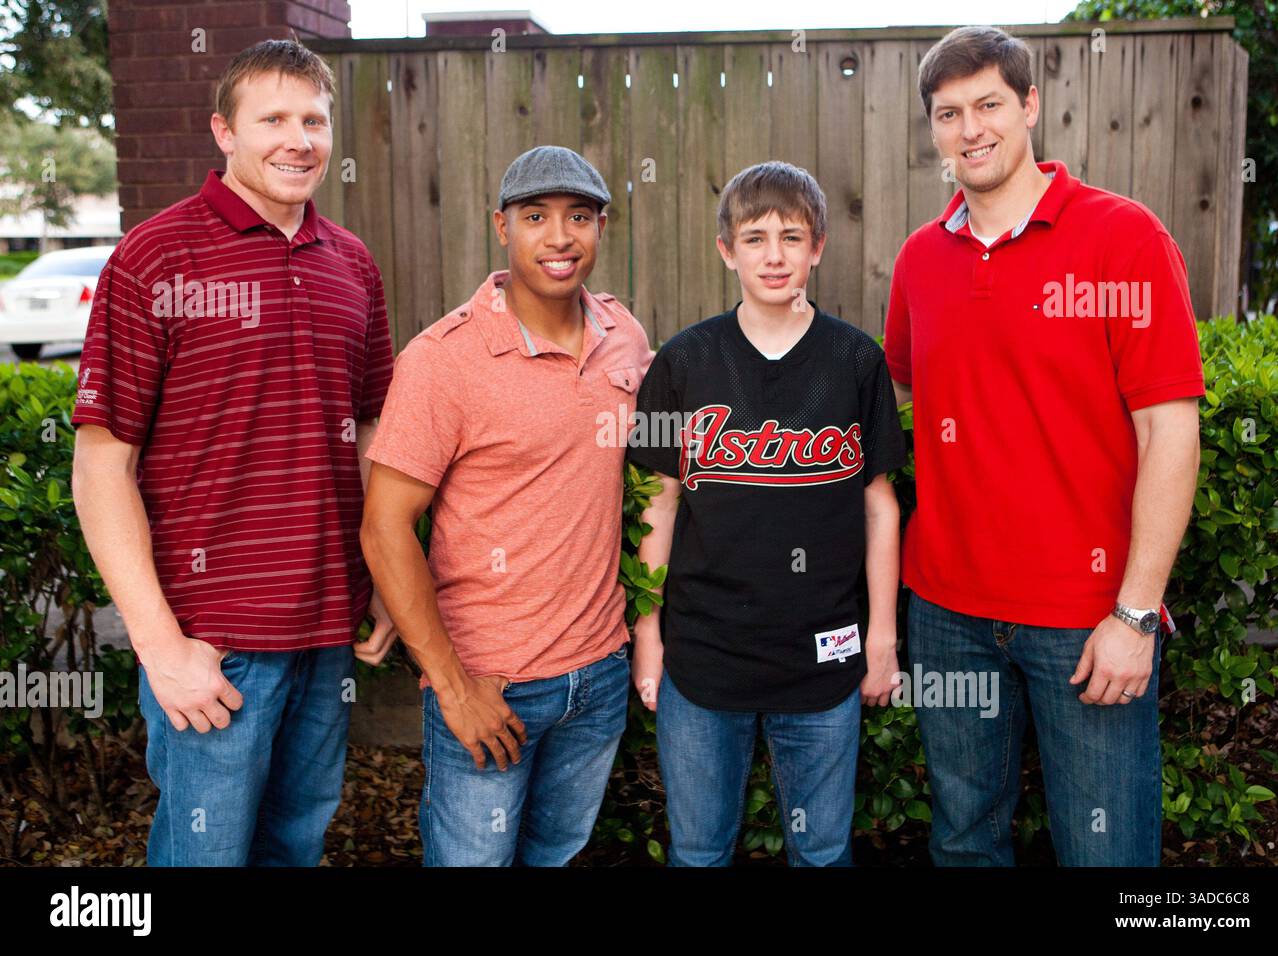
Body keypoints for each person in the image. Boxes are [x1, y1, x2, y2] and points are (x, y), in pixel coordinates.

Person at [70, 39, 395, 866]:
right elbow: (101, 466)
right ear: (224, 130)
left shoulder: (352, 264)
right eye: (273, 119)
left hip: (326, 630)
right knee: (203, 856)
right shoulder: (154, 257)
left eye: (314, 120)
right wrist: (159, 646)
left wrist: (390, 580)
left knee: (295, 844)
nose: (299, 139)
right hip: (210, 639)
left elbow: (373, 434)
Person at [884, 25, 1204, 866]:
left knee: (1109, 856)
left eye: (989, 103)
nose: (970, 129)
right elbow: (929, 396)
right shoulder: (920, 260)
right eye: (948, 113)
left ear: (1030, 106)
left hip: (1085, 618)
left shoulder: (1123, 238)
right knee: (962, 844)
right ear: (933, 129)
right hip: (947, 610)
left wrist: (1136, 614)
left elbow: (1170, 429)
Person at [360, 146, 654, 866]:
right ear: (501, 227)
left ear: (601, 227)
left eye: (578, 216)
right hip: (491, 682)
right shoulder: (443, 360)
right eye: (536, 217)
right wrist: (454, 689)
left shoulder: (625, 336)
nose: (560, 237)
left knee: (554, 855)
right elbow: (384, 525)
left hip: (600, 672)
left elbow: (651, 491)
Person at [629, 161, 907, 866]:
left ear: (818, 246)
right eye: (755, 238)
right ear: (727, 250)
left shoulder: (855, 361)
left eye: (792, 236)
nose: (774, 255)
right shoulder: (685, 362)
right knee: (698, 851)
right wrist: (649, 633)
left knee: (821, 852)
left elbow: (880, 507)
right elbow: (657, 507)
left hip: (824, 658)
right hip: (702, 658)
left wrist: (881, 639)